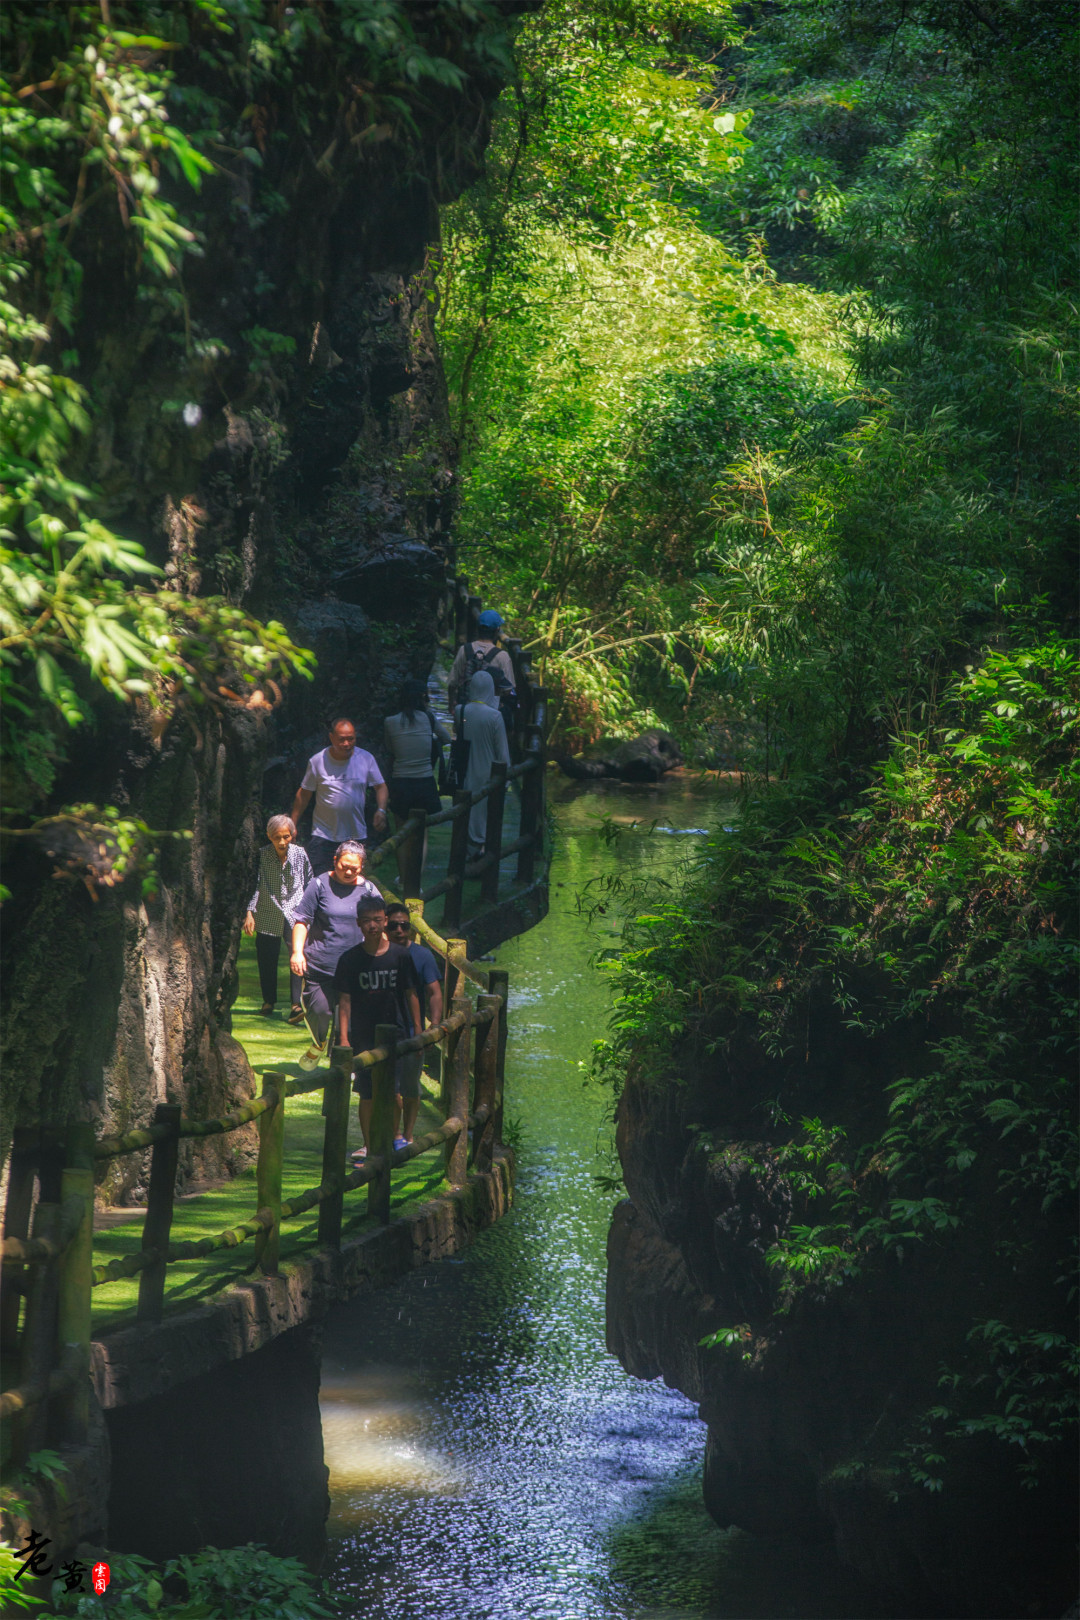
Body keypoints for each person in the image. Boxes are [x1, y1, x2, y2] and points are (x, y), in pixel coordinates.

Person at [336, 895, 422, 1158]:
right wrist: (344, 1038)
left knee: (394, 1093)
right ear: (359, 924)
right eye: (367, 921)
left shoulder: (400, 956)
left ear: (385, 920)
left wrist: (418, 1030)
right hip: (364, 1035)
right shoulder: (350, 959)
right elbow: (345, 1000)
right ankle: (371, 1145)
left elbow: (412, 993)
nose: (373, 925)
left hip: (395, 1032)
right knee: (367, 1093)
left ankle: (390, 1139)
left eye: (377, 919)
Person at [290, 841, 381, 1070]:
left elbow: (381, 924)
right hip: (321, 966)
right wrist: (297, 952)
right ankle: (319, 1044)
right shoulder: (319, 884)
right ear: (335, 861)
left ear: (362, 867)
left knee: (349, 1024)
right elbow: (302, 920)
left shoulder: (369, 890)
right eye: (344, 866)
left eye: (355, 868)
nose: (349, 871)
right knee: (320, 1011)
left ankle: (344, 1065)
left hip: (356, 970)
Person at [291, 718, 389, 878]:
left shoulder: (366, 758)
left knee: (353, 886)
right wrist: (292, 823)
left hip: (355, 835)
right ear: (331, 737)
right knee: (319, 883)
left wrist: (381, 810)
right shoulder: (317, 761)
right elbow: (304, 793)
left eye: (351, 738)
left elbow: (381, 786)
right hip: (323, 835)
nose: (346, 744)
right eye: (341, 739)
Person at [243, 814, 312, 1021]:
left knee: (297, 956)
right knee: (266, 958)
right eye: (277, 837)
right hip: (267, 911)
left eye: (286, 836)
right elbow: (254, 884)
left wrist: (310, 913)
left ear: (293, 835)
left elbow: (309, 883)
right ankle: (268, 1000)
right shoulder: (262, 855)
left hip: (295, 912)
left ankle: (295, 1004)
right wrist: (249, 912)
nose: (282, 842)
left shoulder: (300, 854)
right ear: (268, 836)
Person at [383, 679, 451, 883]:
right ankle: (415, 881)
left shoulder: (390, 721)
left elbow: (389, 749)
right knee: (422, 834)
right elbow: (447, 738)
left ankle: (403, 878)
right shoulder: (428, 719)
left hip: (401, 782)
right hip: (425, 782)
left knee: (401, 834)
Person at [385, 901, 444, 1108]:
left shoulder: (423, 955)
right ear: (385, 926)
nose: (399, 931)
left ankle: (407, 1134)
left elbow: (434, 992)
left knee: (409, 1087)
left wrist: (434, 1026)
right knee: (384, 1088)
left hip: (412, 1032)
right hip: (382, 1030)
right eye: (393, 926)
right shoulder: (376, 953)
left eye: (404, 926)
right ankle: (389, 1134)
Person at [457, 669, 511, 858]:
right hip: (487, 772)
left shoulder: (460, 711)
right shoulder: (494, 716)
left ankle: (467, 852)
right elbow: (502, 752)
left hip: (464, 771)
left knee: (467, 811)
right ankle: (481, 853)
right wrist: (506, 779)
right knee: (485, 814)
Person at [448, 609, 516, 713]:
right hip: (490, 712)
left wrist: (451, 705)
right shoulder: (502, 656)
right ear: (497, 630)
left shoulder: (464, 650)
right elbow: (508, 689)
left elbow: (453, 682)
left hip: (465, 711)